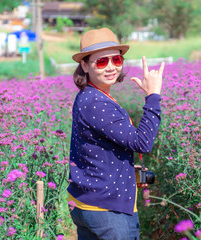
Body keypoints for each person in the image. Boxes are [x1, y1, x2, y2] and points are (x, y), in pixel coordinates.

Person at [67, 27, 164, 240]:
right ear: (84, 65)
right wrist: (153, 96)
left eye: (116, 60)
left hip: (91, 203)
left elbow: (97, 147)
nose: (111, 67)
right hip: (107, 210)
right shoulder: (96, 102)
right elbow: (143, 143)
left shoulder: (91, 95)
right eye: (101, 62)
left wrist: (127, 170)